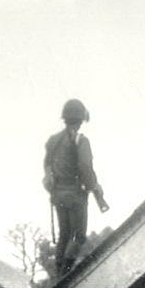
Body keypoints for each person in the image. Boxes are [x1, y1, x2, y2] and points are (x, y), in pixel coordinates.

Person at [43, 98, 109, 276]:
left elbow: (47, 165)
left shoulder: (53, 141)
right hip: (75, 195)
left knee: (64, 234)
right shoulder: (81, 141)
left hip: (58, 195)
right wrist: (95, 188)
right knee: (78, 236)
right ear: (80, 120)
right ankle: (65, 274)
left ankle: (58, 274)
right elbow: (85, 167)